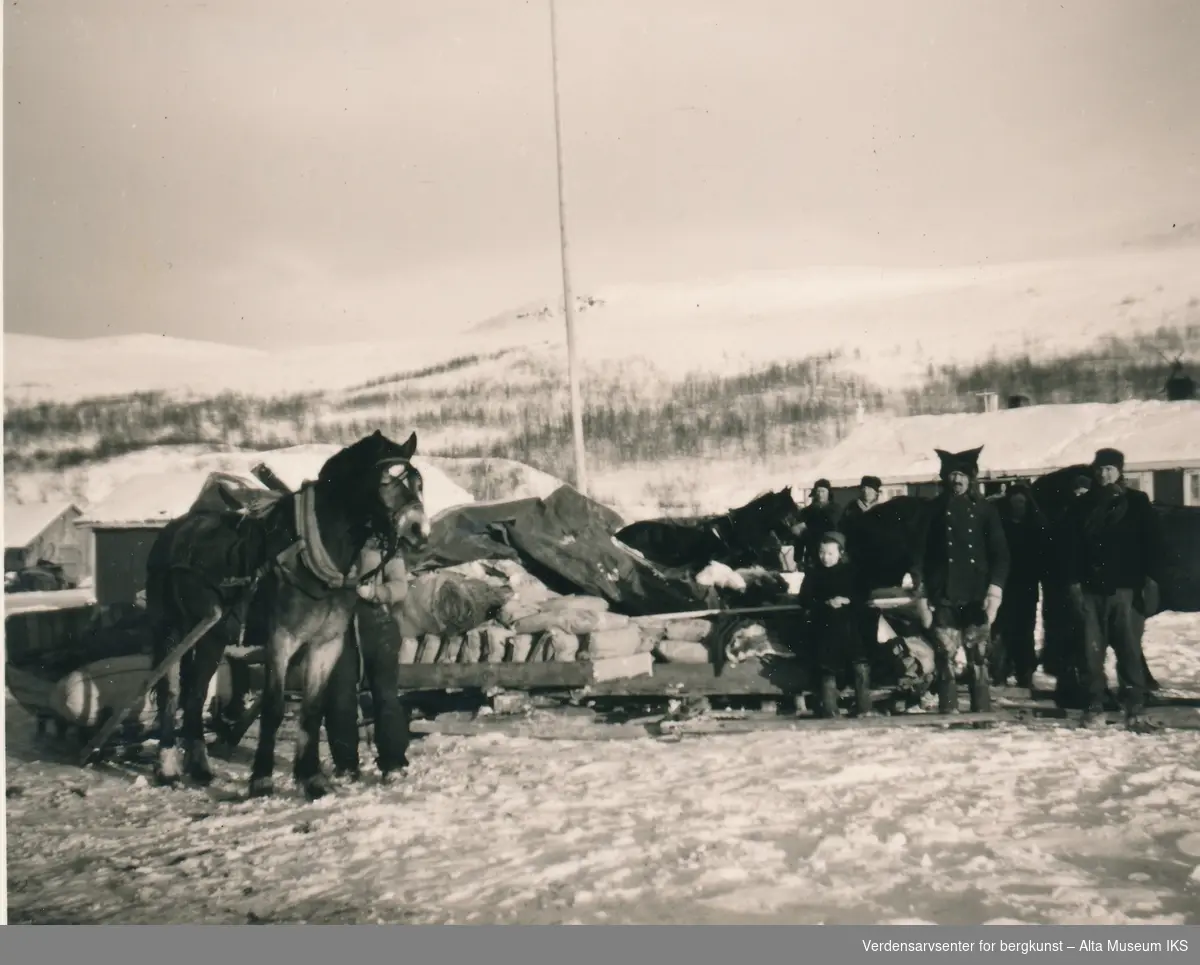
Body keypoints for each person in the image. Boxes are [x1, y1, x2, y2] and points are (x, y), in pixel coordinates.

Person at [1061, 448, 1165, 732]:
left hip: (1126, 590)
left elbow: (1152, 544)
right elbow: (1071, 550)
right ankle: (1095, 705)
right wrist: (1073, 585)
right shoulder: (1081, 507)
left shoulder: (1137, 502)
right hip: (1090, 591)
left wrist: (1151, 582)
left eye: (1110, 469)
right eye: (1100, 469)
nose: (1104, 474)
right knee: (1091, 652)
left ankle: (1134, 706)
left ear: (1120, 471)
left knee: (1129, 649)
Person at [911, 446, 1010, 714]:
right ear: (945, 478)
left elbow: (1001, 555)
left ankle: (981, 713)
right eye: (953, 475)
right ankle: (948, 711)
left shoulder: (985, 510)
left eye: (963, 475)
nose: (957, 480)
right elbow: (917, 555)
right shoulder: (932, 510)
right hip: (943, 594)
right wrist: (920, 592)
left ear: (971, 478)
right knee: (945, 655)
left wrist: (995, 591)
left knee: (978, 657)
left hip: (977, 595)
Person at [323, 539, 414, 782]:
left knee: (385, 695)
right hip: (340, 625)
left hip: (379, 625)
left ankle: (393, 763)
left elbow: (400, 586)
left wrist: (376, 592)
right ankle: (345, 764)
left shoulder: (384, 544)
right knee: (339, 695)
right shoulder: (332, 540)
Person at [798, 531, 874, 718]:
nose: (825, 557)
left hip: (851, 627)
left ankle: (864, 708)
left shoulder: (852, 572)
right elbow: (805, 598)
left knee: (860, 666)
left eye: (830, 553)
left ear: (840, 553)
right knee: (827, 669)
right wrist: (824, 603)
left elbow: (863, 595)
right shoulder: (814, 573)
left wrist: (847, 600)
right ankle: (830, 710)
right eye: (822, 553)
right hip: (825, 627)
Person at [990, 482, 1050, 689]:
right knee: (999, 631)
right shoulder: (1000, 525)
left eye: (1022, 502)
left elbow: (1043, 555)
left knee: (1024, 632)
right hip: (1002, 587)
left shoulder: (1036, 525)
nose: (1018, 506)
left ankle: (1025, 673)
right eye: (1014, 502)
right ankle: (999, 673)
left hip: (1026, 586)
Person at [792, 478, 841, 571]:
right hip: (811, 556)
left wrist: (808, 525)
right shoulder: (806, 512)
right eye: (818, 491)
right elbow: (799, 536)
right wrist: (797, 558)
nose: (820, 494)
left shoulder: (835, 510)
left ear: (828, 493)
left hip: (831, 555)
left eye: (823, 491)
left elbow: (834, 527)